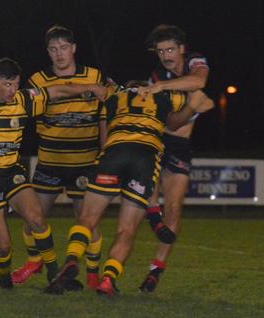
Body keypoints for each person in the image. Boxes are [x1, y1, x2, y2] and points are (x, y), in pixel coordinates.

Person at [0, 57, 106, 289]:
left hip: (12, 173)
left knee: (37, 218)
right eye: (7, 84)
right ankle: (4, 276)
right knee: (3, 245)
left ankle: (54, 276)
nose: (12, 90)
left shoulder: (23, 100)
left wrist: (91, 86)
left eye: (16, 84)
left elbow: (55, 90)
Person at [44, 80, 190, 296]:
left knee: (87, 219)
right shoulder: (165, 96)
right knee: (127, 229)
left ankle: (73, 258)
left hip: (115, 151)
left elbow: (97, 94)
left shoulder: (114, 96)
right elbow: (188, 99)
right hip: (145, 156)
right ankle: (108, 278)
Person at [11, 25, 106, 289]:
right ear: (48, 52)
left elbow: (103, 118)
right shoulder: (38, 80)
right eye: (53, 49)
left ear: (74, 48)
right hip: (50, 162)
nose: (59, 54)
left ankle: (92, 274)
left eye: (64, 47)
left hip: (84, 163)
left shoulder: (96, 76)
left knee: (87, 221)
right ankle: (34, 261)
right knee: (33, 219)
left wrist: (106, 151)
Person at [134, 24, 212, 293]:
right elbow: (169, 120)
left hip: (180, 145)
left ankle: (156, 269)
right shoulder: (158, 74)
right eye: (160, 51)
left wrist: (162, 87)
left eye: (170, 49)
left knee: (175, 209)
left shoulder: (194, 62)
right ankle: (152, 214)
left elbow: (199, 81)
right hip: (160, 136)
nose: (166, 55)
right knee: (146, 178)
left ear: (181, 49)